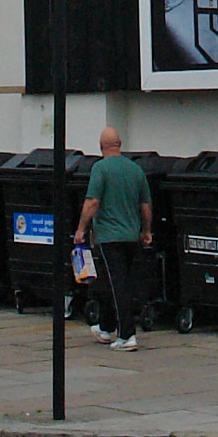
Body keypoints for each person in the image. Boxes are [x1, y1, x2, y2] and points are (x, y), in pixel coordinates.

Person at [73, 127, 152, 351]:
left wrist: (80, 229)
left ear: (101, 147)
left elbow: (92, 202)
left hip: (109, 238)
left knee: (118, 285)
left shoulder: (100, 169)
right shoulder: (136, 170)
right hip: (131, 236)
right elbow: (145, 206)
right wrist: (146, 230)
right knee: (110, 282)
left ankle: (127, 335)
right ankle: (106, 328)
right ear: (120, 143)